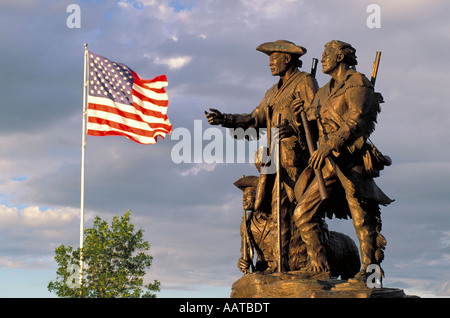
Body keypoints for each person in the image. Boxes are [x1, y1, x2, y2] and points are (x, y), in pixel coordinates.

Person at [205, 40, 318, 271]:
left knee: (301, 211)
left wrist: (295, 128)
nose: (270, 64)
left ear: (287, 59)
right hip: (274, 161)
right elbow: (254, 119)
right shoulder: (272, 92)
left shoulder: (305, 81)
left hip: (298, 160)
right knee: (278, 211)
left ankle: (311, 263)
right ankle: (280, 264)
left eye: (273, 59)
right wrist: (225, 119)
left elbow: (316, 117)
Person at [292, 40, 393, 282]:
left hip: (352, 160)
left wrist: (329, 145)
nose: (323, 58)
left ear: (340, 57)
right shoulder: (324, 91)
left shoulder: (358, 83)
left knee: (362, 220)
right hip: (328, 163)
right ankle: (319, 268)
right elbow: (313, 127)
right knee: (302, 213)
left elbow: (356, 120)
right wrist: (299, 118)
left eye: (327, 54)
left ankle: (370, 274)